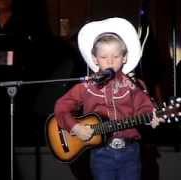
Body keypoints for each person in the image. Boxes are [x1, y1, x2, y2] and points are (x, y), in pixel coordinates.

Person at [54, 17, 164, 180]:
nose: (110, 61)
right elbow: (61, 106)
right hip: (100, 153)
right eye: (104, 57)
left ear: (124, 58)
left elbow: (145, 107)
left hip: (130, 152)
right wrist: (75, 127)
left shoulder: (132, 85)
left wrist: (151, 116)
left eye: (116, 56)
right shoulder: (86, 87)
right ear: (94, 59)